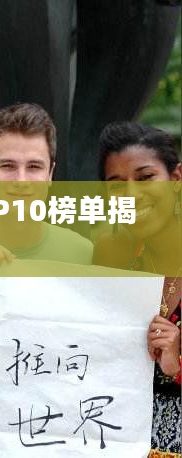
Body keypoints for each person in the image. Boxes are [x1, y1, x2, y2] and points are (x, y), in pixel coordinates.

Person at [94, 121, 181, 458]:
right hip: (116, 438)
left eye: (145, 178)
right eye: (117, 185)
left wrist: (176, 364)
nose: (131, 196)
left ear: (176, 179)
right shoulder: (109, 253)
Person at [0, 102, 92, 266]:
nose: (21, 180)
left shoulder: (82, 254)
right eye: (8, 166)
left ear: (50, 173)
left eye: (34, 167)